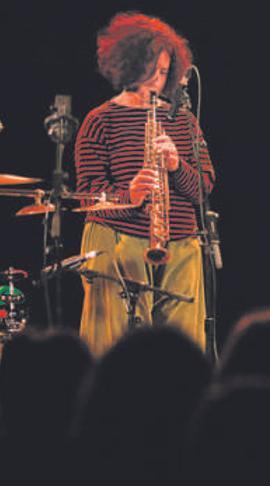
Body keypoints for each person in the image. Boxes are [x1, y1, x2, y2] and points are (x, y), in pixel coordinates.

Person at [75, 12, 215, 355]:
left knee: (183, 351)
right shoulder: (100, 120)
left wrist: (176, 164)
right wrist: (130, 195)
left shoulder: (183, 121)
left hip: (180, 243)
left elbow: (203, 188)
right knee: (116, 348)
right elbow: (86, 196)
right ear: (128, 66)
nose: (157, 81)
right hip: (117, 241)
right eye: (150, 71)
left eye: (165, 73)